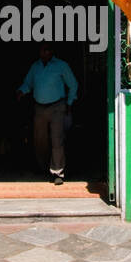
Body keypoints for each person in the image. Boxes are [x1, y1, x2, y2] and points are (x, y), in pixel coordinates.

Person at [16, 43, 78, 185]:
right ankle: (42, 167)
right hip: (39, 108)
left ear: (52, 51)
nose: (46, 52)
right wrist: (21, 91)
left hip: (57, 107)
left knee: (57, 139)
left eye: (48, 49)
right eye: (43, 50)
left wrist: (69, 102)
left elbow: (73, 84)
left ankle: (57, 172)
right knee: (40, 140)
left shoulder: (61, 65)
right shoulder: (35, 67)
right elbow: (28, 84)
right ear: (40, 52)